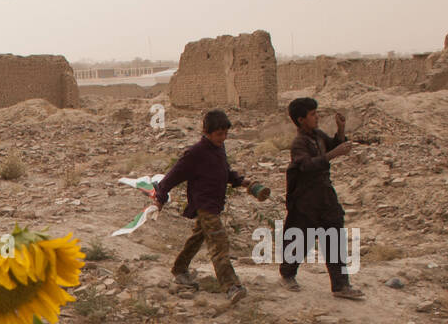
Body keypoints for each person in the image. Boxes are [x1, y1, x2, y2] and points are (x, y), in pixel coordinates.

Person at [152, 109, 254, 304]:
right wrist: (160, 197)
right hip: (205, 205)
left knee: (197, 238)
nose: (223, 138)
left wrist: (242, 181)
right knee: (219, 244)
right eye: (219, 134)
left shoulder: (219, 149)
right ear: (206, 132)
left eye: (225, 134)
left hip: (215, 204)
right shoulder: (195, 153)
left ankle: (180, 269)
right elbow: (172, 176)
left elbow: (224, 172)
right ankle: (231, 286)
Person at [279, 97, 363, 299]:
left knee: (334, 235)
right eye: (313, 114)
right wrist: (334, 154)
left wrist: (341, 129)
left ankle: (341, 286)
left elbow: (334, 144)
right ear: (301, 120)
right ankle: (287, 273)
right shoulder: (299, 143)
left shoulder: (317, 136)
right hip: (306, 199)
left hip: (324, 194)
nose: (317, 118)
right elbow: (307, 165)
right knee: (302, 239)